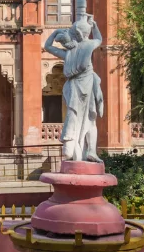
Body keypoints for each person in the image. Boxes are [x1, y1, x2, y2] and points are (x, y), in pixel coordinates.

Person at [44, 13, 104, 162]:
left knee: (74, 117)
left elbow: (47, 46)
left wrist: (55, 32)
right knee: (90, 120)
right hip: (87, 86)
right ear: (85, 34)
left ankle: (74, 148)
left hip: (73, 87)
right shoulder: (89, 45)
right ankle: (90, 150)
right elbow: (99, 39)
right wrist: (94, 25)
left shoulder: (69, 54)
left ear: (75, 34)